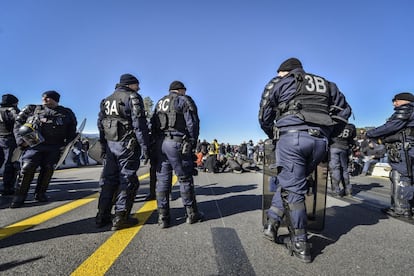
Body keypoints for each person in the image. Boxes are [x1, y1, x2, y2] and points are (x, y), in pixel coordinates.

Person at [258, 57, 351, 262]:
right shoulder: (325, 83)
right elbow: (345, 110)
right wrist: (328, 131)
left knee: (294, 191)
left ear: (285, 71)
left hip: (292, 138)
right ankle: (271, 224)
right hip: (320, 142)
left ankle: (300, 244)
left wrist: (272, 133)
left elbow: (264, 113)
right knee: (293, 183)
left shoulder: (281, 82)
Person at [96, 73, 150, 230]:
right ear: (129, 85)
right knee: (127, 179)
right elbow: (139, 124)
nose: (138, 88)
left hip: (111, 144)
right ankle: (121, 216)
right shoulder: (132, 97)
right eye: (136, 85)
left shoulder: (106, 100)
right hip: (127, 144)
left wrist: (103, 145)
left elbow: (100, 123)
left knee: (108, 181)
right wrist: (145, 147)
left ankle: (102, 216)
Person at [151, 80, 204, 228]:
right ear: (181, 90)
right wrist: (192, 143)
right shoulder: (183, 100)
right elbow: (192, 124)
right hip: (177, 143)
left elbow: (153, 124)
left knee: (162, 182)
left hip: (161, 144)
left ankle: (163, 217)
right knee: (185, 179)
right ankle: (192, 214)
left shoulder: (160, 102)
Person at [11, 91, 77, 208]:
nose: (44, 99)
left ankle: (40, 194)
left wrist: (67, 145)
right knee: (27, 168)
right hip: (33, 145)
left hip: (54, 146)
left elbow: (72, 129)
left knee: (48, 169)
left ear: (55, 100)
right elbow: (18, 124)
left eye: (48, 98)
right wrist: (20, 141)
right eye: (43, 97)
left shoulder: (67, 113)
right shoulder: (31, 109)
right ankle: (19, 197)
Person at [366, 92, 414, 218]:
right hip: (410, 148)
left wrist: (370, 133)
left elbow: (390, 127)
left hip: (404, 148)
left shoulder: (407, 109)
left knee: (400, 176)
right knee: (409, 176)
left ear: (404, 100)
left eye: (396, 100)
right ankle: (408, 207)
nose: (394, 103)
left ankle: (401, 209)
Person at [0, 94, 20, 196]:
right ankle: (8, 188)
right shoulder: (11, 110)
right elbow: (19, 121)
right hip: (10, 140)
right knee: (11, 164)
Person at [329, 123, 356, 197]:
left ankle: (336, 191)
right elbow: (352, 138)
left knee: (335, 169)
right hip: (344, 148)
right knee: (345, 170)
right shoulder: (351, 126)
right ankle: (348, 190)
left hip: (334, 147)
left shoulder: (333, 124)